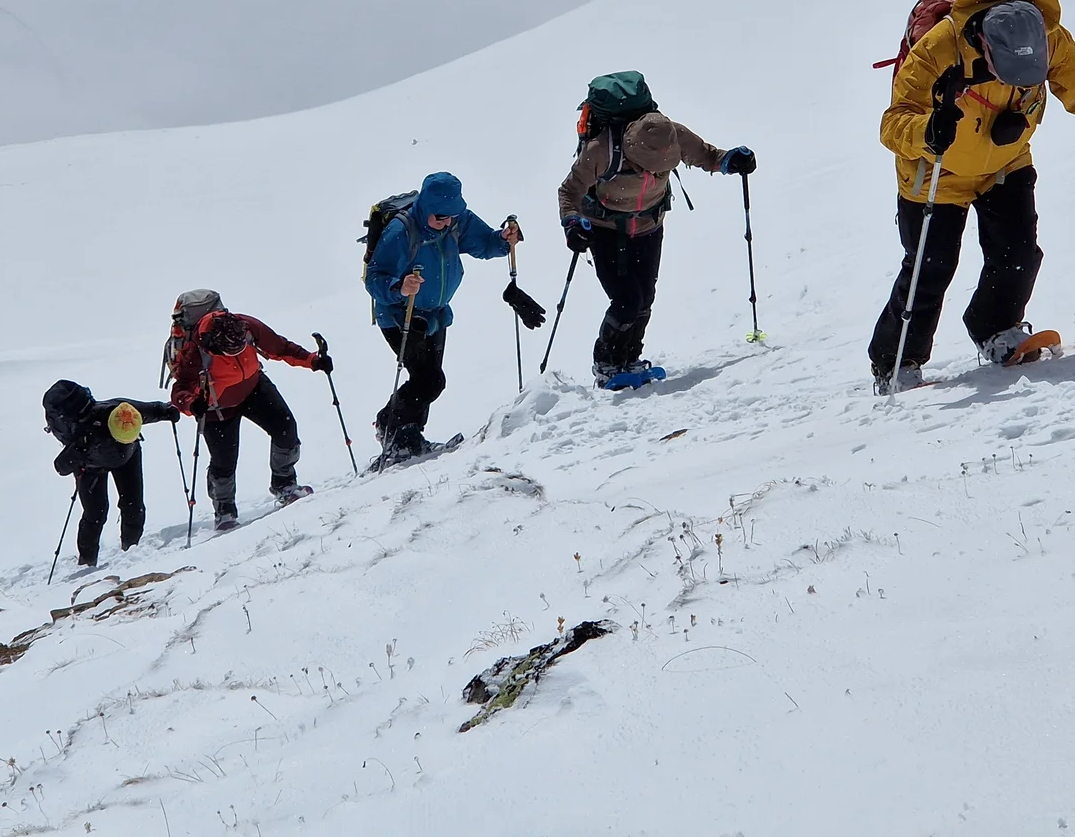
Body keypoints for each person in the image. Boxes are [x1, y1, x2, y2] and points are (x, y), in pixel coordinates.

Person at [868, 0, 1075, 392]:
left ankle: (997, 329)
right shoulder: (940, 47)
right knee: (930, 268)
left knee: (1019, 253)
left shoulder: (1051, 39)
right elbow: (894, 121)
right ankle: (896, 363)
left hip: (1004, 162)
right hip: (935, 172)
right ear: (984, 46)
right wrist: (927, 131)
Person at [556, 87, 754, 383]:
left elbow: (708, 156)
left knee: (645, 297)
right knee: (626, 300)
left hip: (650, 226)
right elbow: (569, 191)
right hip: (607, 230)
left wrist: (731, 161)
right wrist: (572, 223)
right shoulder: (601, 150)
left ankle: (630, 359)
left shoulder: (672, 135)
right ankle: (606, 364)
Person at [364, 172, 521, 464]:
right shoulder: (402, 232)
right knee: (429, 379)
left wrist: (502, 240)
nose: (447, 222)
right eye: (440, 217)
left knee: (427, 376)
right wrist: (399, 287)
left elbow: (483, 243)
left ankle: (407, 435)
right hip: (401, 315)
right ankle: (392, 430)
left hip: (436, 314)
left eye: (451, 216)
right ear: (426, 207)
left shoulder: (457, 220)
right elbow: (375, 278)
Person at [169, 309, 326, 531]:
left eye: (240, 349)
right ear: (214, 345)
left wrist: (312, 361)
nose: (236, 353)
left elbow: (279, 347)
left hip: (254, 387)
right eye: (229, 352)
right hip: (216, 406)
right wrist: (192, 404)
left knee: (285, 428)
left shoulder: (247, 326)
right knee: (224, 461)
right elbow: (180, 390)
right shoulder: (195, 350)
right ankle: (224, 511)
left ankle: (285, 485)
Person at [43, 381, 180, 567]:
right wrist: (79, 448)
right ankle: (88, 564)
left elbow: (149, 411)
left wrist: (166, 410)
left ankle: (129, 554)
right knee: (98, 513)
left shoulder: (122, 413)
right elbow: (60, 467)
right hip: (93, 465)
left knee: (130, 507)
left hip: (116, 460)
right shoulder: (85, 432)